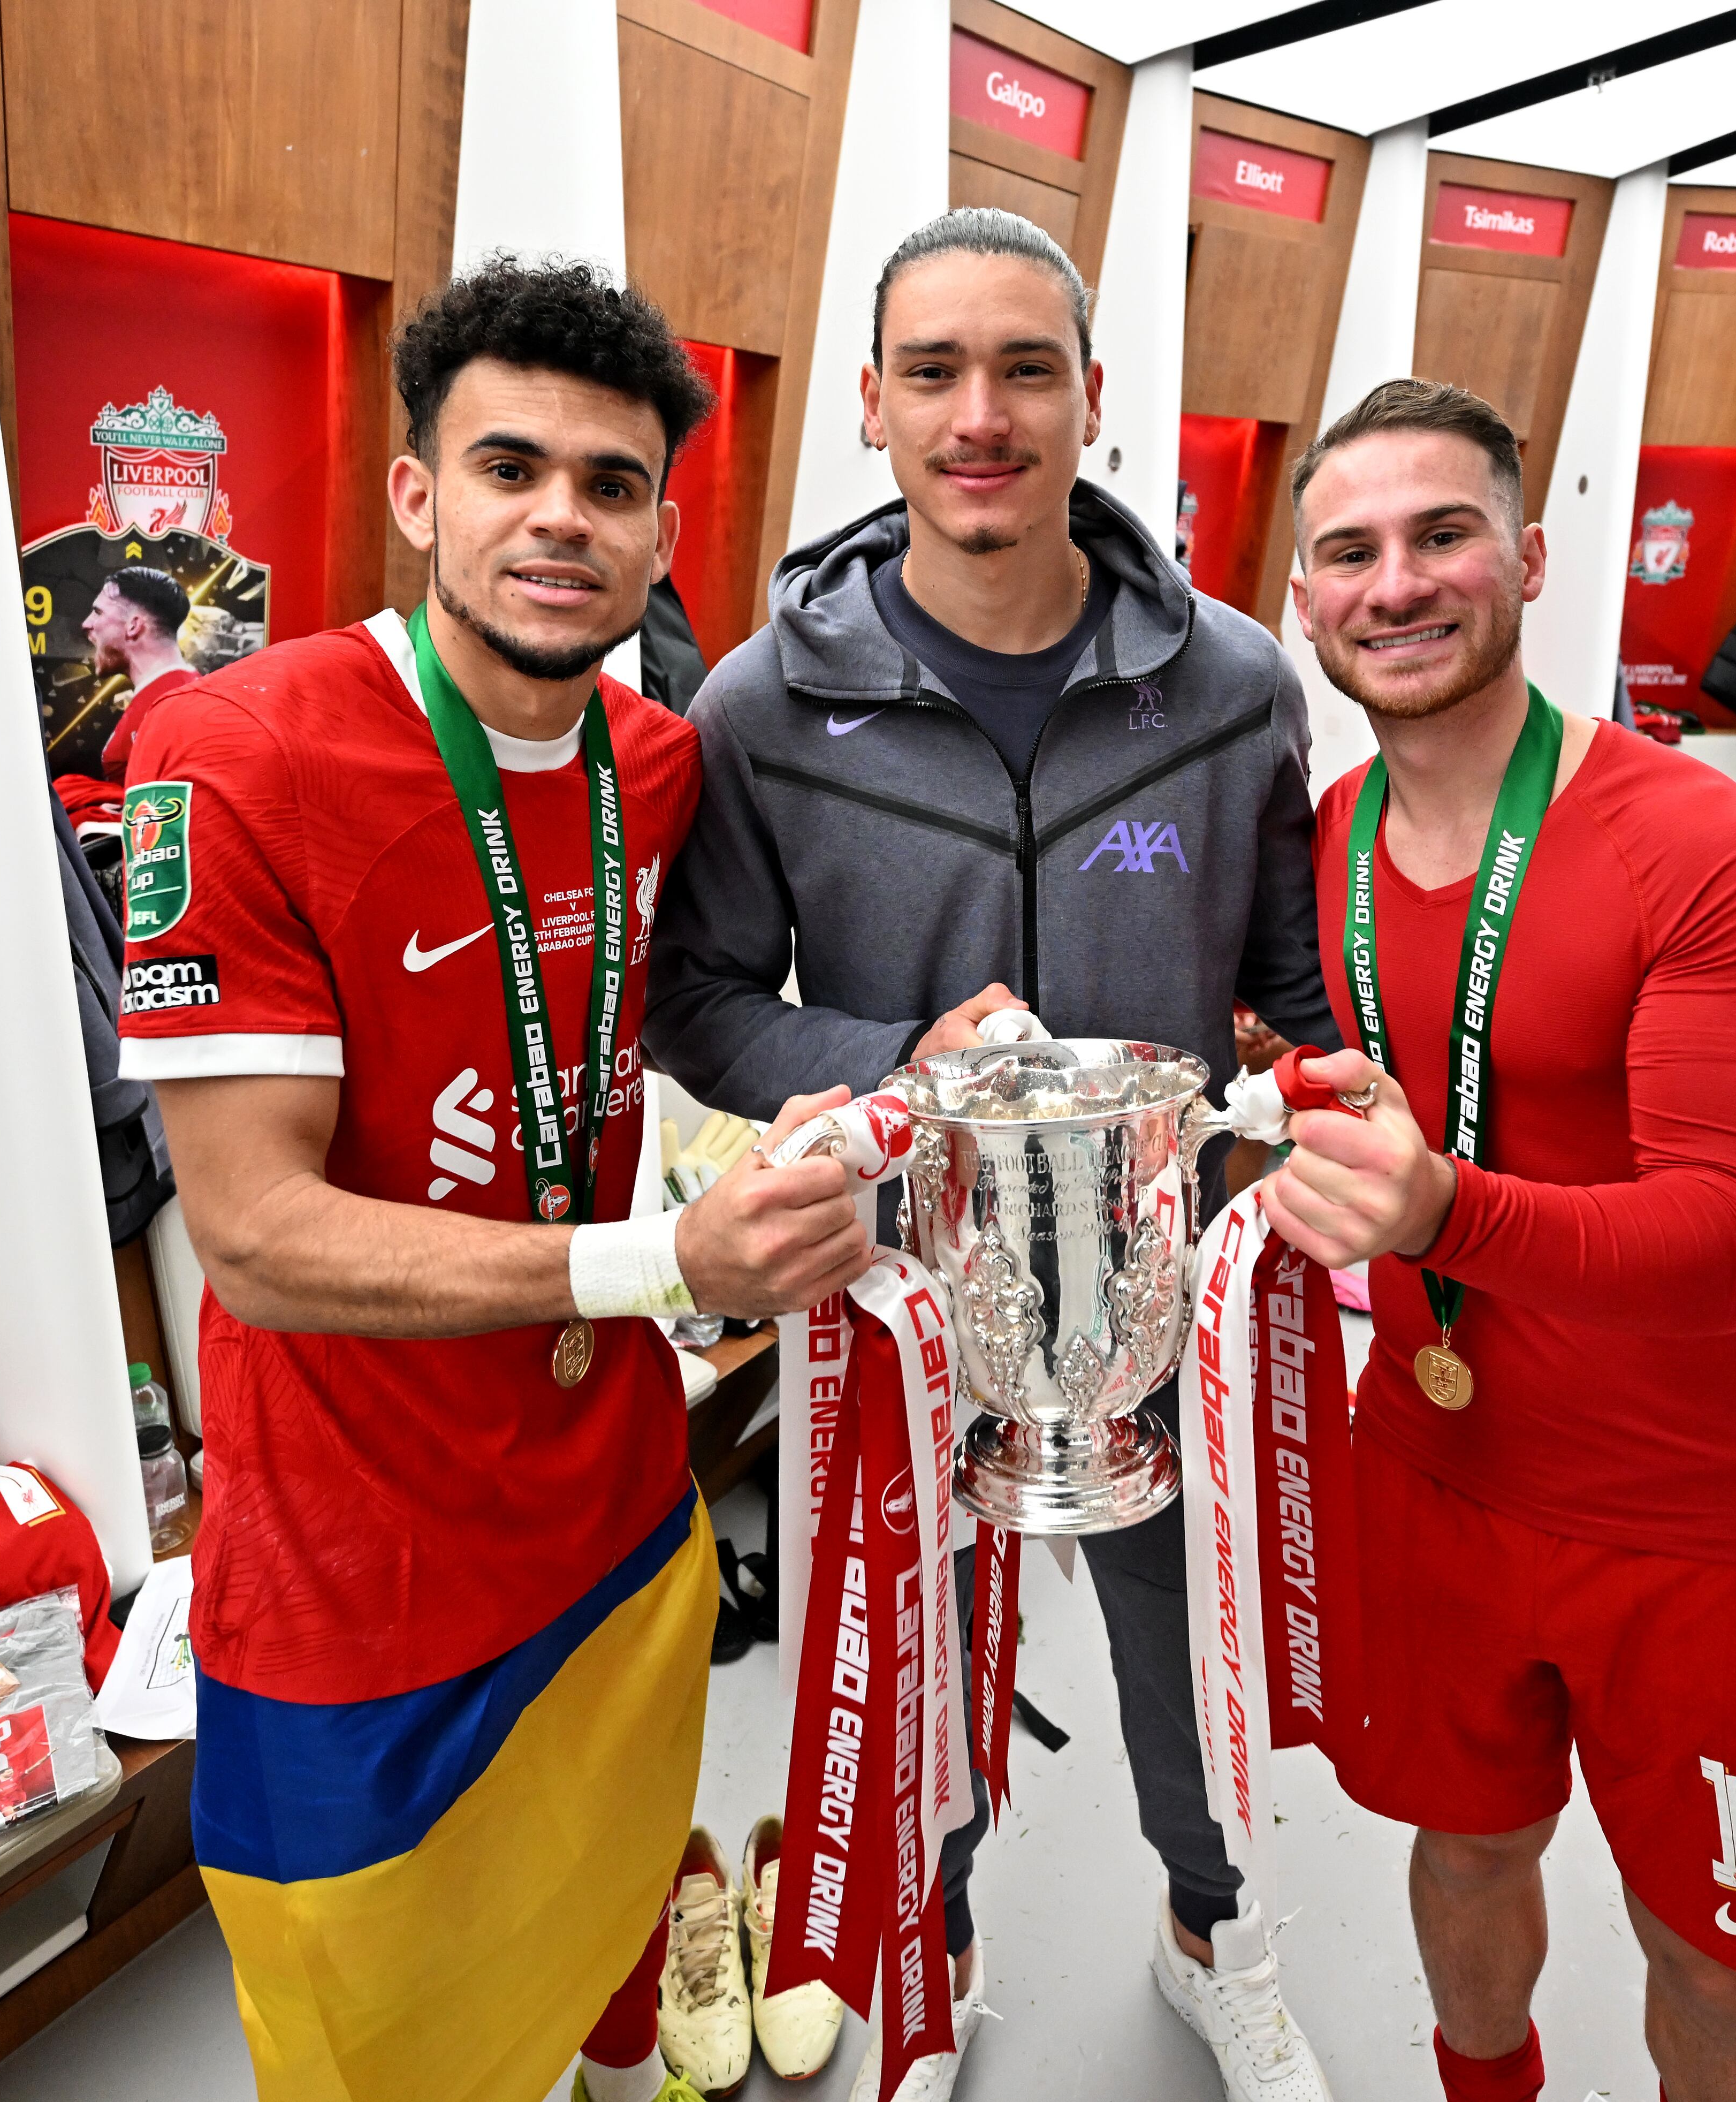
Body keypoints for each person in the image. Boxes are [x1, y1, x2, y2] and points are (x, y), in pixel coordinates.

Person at [118, 257, 872, 2102]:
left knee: (610, 1894)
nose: (559, 517)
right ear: (415, 495)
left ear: (659, 529)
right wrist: (662, 1259)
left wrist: (898, 1071)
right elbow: (257, 1237)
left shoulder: (655, 762)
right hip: (358, 1570)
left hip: (613, 1501)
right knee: (379, 2040)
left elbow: (694, 1010)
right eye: (509, 466)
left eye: (610, 485)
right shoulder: (230, 757)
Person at [646, 208, 1341, 2102]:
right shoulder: (765, 707)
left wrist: (1319, 1089)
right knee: (908, 1661)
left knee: (1186, 1662)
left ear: (1092, 400)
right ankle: (927, 1967)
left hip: (1164, 1293)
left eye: (1026, 369)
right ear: (868, 405)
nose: (982, 413)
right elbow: (697, 996)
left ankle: (1216, 1941)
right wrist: (902, 1063)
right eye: (935, 371)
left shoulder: (1233, 687)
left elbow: (1289, 986)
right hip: (901, 1306)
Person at [1267, 378, 1736, 2102]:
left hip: (1676, 1511)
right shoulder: (1325, 839)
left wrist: (1438, 1208)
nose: (1396, 584)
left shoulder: (1705, 853)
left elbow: (1714, 1243)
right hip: (1434, 1474)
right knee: (1461, 1856)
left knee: (1716, 1964)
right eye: (1349, 552)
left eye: (1440, 534)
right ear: (1303, 599)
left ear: (1526, 556)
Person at [87, 564, 199, 783]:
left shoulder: (171, 704)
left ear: (134, 626)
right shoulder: (170, 694)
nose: (87, 624)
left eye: (98, 613)